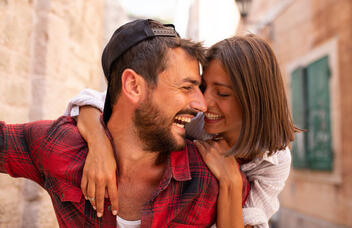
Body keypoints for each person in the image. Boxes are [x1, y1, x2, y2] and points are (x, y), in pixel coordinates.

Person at [0, 19, 250, 228]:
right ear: (133, 86)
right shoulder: (60, 146)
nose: (201, 105)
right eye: (187, 87)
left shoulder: (213, 178)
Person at [66, 34, 298, 228]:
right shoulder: (194, 121)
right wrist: (99, 145)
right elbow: (92, 101)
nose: (203, 103)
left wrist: (232, 181)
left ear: (254, 101)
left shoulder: (274, 162)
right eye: (203, 87)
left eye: (223, 93)